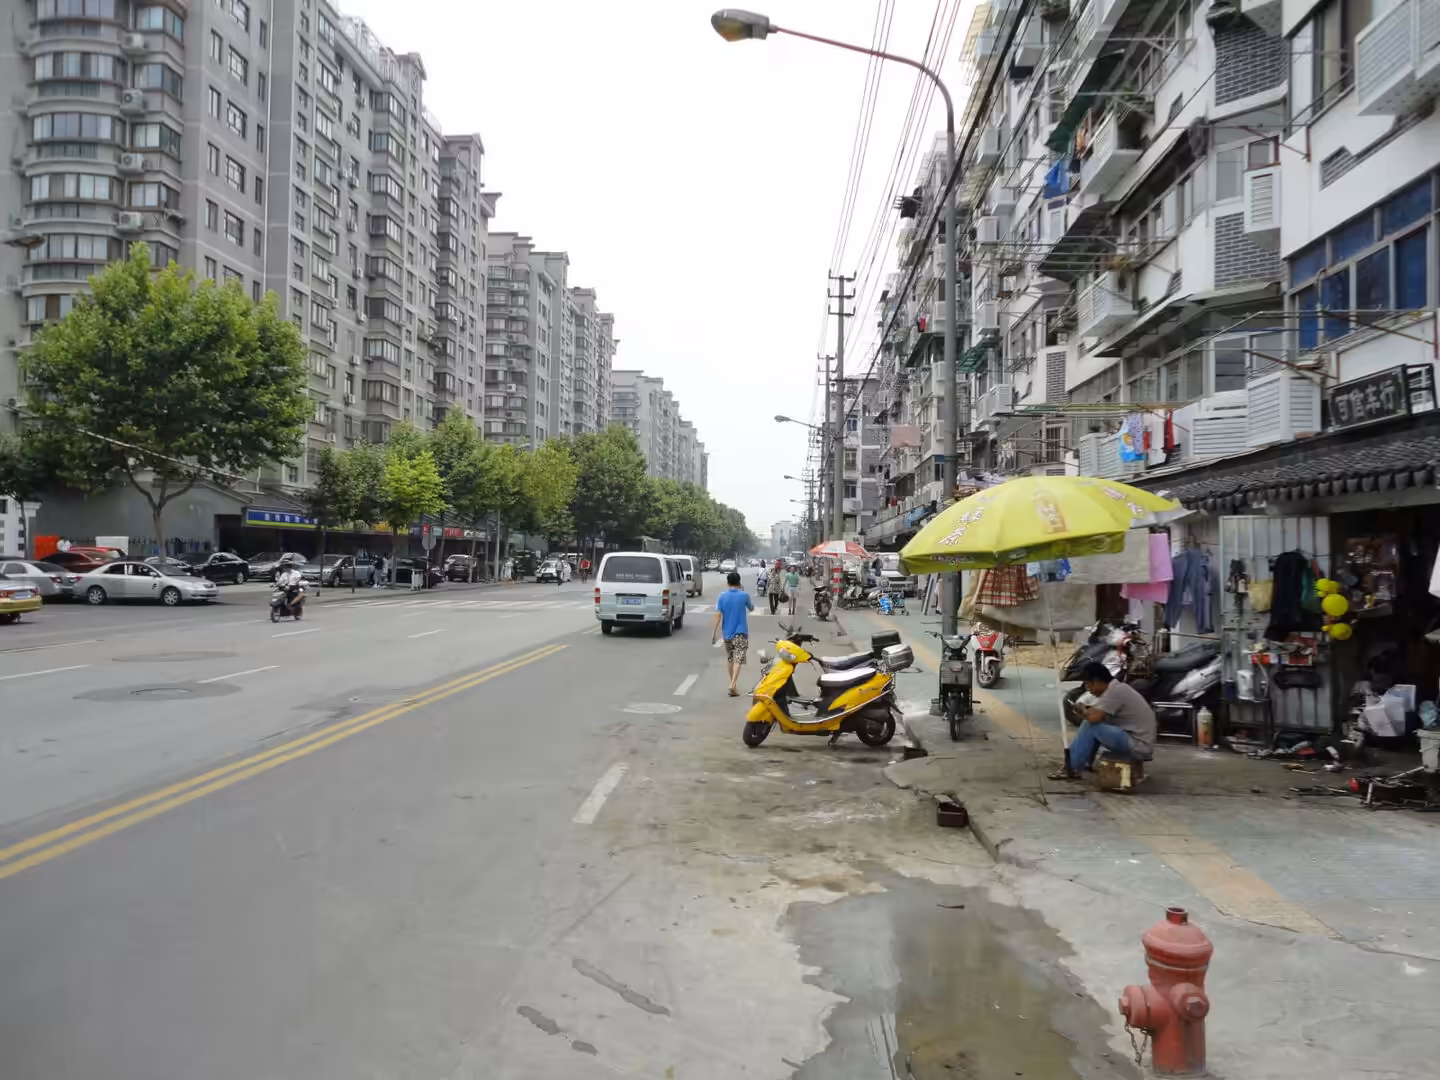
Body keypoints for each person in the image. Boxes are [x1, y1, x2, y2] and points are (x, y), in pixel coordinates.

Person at [1051, 662, 1157, 781]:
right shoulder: (1116, 688)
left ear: (1096, 681)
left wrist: (1082, 711)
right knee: (1094, 725)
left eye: (1088, 684)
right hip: (1138, 741)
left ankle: (1072, 768)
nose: (1088, 689)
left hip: (1138, 745)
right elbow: (1097, 712)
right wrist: (1086, 711)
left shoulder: (1114, 692)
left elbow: (1093, 718)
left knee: (1091, 726)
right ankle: (1085, 762)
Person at [712, 570, 755, 697]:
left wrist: (714, 634)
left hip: (727, 633)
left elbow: (718, 616)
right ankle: (733, 683)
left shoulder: (722, 596)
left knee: (730, 658)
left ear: (728, 582)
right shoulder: (744, 595)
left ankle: (733, 685)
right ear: (739, 582)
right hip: (741, 632)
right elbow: (752, 608)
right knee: (738, 658)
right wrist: (743, 591)